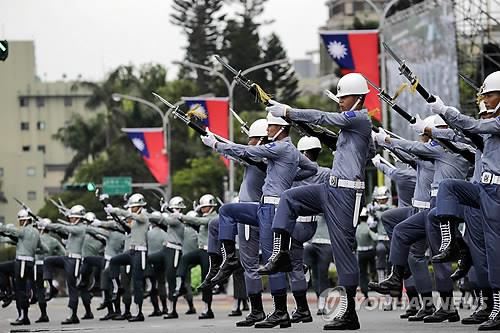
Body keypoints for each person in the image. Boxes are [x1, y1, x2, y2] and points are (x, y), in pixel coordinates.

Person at [264, 72, 374, 330]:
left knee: (343, 252)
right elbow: (362, 150)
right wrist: (332, 140)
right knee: (289, 199)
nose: (340, 102)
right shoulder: (355, 126)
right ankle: (280, 253)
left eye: (344, 97)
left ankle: (349, 314)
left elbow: (325, 117)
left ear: (358, 98)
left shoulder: (359, 118)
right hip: (331, 187)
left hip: (347, 194)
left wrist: (288, 112)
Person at [200, 113, 318, 328]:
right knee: (226, 212)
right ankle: (229, 259)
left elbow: (245, 151)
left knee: (272, 263)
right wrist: (289, 175)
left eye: (271, 126)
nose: (269, 130)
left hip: (272, 207)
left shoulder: (279, 148)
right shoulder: (288, 151)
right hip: (269, 205)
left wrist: (216, 144)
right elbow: (312, 168)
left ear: (281, 128)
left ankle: (280, 311)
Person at [428, 71, 500, 330]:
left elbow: (475, 127)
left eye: (490, 95)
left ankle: (498, 309)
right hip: (483, 190)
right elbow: (464, 134)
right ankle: (453, 242)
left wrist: (445, 110)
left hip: (497, 195)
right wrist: (433, 126)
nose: (487, 101)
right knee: (449, 188)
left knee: (494, 253)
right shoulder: (489, 129)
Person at [173, 194, 218, 319]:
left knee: (206, 281)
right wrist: (182, 218)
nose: (202, 209)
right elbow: (195, 224)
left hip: (210, 252)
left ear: (211, 207)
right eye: (202, 207)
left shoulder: (214, 218)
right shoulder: (204, 216)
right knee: (185, 258)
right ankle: (180, 285)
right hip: (200, 251)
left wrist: (182, 216)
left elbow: (199, 221)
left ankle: (207, 309)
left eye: (205, 207)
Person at [106, 193, 150, 322]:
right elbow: (123, 224)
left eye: (134, 206)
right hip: (130, 252)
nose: (131, 209)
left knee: (137, 284)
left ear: (139, 206)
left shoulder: (143, 216)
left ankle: (139, 313)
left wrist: (117, 210)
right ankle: (117, 287)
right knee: (114, 261)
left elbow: (131, 216)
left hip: (140, 252)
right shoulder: (134, 220)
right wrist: (114, 215)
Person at [41, 204, 87, 325]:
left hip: (74, 260)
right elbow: (66, 236)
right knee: (48, 261)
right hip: (66, 258)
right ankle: (51, 287)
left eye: (73, 217)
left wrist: (49, 225)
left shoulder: (81, 228)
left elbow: (65, 228)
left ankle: (73, 315)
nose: (70, 219)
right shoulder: (74, 227)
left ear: (79, 218)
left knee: (71, 287)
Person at [0, 209, 45, 326]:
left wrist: (1, 227)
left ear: (24, 221)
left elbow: (10, 231)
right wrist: (30, 247)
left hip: (22, 262)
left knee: (20, 290)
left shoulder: (24, 231)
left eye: (20, 221)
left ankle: (22, 315)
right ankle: (8, 294)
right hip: (30, 262)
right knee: (4, 270)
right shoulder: (36, 233)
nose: (19, 223)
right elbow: (44, 249)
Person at [33, 218, 65, 323]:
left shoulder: (36, 238)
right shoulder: (53, 240)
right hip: (49, 266)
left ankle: (43, 314)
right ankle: (52, 287)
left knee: (39, 290)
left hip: (37, 266)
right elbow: (63, 253)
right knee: (43, 287)